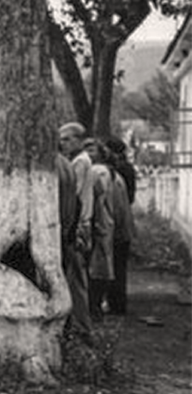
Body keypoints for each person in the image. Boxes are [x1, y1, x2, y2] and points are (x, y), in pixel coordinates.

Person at [58, 122, 94, 343]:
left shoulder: (79, 163)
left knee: (76, 279)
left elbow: (76, 197)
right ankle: (79, 325)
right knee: (75, 277)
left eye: (67, 139)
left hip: (78, 224)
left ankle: (81, 328)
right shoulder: (77, 162)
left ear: (78, 140)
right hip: (79, 223)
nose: (63, 143)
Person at [85, 138, 116, 320]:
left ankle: (95, 307)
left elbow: (100, 195)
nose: (89, 153)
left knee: (98, 267)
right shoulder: (101, 170)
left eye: (93, 150)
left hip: (100, 222)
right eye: (86, 149)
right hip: (101, 222)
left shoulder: (99, 171)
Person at [104, 137, 136, 315]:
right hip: (124, 221)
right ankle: (118, 303)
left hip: (117, 224)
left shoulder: (118, 172)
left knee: (115, 266)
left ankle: (116, 304)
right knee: (120, 267)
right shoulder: (127, 168)